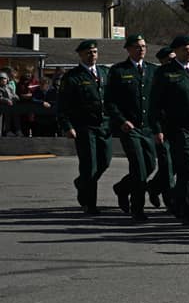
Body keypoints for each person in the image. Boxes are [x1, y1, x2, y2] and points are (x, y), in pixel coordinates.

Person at [149, 35, 189, 226]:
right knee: (187, 171)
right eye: (185, 49)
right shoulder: (165, 72)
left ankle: (176, 199)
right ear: (175, 51)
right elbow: (155, 103)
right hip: (178, 128)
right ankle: (188, 212)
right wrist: (157, 129)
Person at [104, 34, 157, 222]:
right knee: (139, 168)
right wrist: (121, 120)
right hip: (129, 128)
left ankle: (122, 188)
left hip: (148, 128)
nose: (141, 49)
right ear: (128, 49)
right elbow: (110, 102)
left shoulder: (153, 70)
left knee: (150, 165)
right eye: (137, 46)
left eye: (143, 46)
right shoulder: (119, 71)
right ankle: (138, 209)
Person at [58, 40, 112, 214]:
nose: (92, 55)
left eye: (95, 52)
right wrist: (67, 125)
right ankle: (90, 203)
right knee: (89, 166)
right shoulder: (73, 76)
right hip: (84, 126)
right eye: (88, 52)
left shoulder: (105, 72)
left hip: (104, 125)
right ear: (80, 55)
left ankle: (82, 183)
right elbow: (63, 104)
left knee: (105, 161)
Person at [146, 46, 176, 211]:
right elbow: (153, 106)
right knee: (167, 165)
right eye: (169, 59)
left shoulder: (180, 74)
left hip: (178, 127)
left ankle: (154, 187)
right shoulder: (157, 76)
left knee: (176, 165)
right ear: (162, 61)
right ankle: (171, 201)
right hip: (162, 128)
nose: (172, 62)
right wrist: (157, 129)